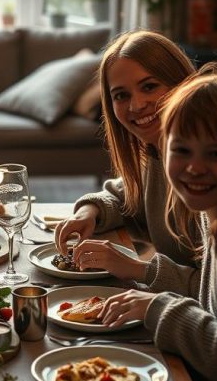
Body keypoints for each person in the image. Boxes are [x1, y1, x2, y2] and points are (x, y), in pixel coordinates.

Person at [99, 65, 217, 381]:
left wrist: (159, 306)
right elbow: (132, 194)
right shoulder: (216, 211)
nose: (194, 167)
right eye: (181, 151)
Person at [55, 29, 199, 279]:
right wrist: (90, 210)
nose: (136, 105)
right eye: (121, 95)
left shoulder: (210, 171)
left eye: (149, 86)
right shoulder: (157, 153)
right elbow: (128, 193)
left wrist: (137, 269)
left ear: (182, 84)